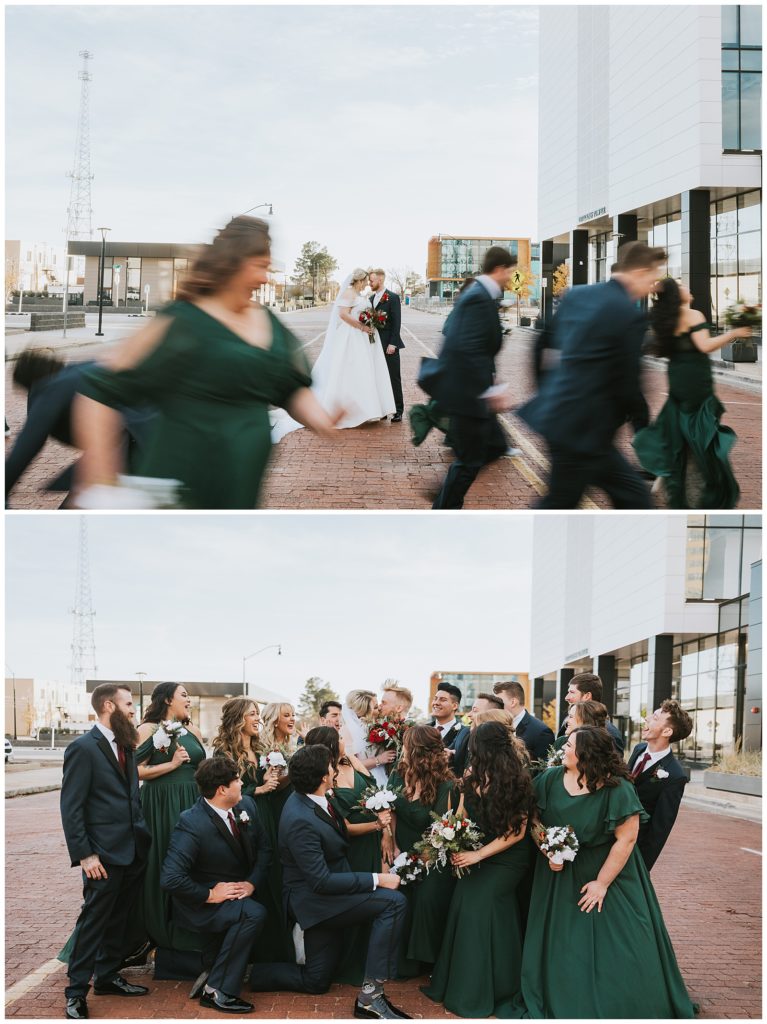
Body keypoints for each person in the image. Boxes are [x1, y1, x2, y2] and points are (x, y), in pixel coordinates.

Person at [72, 216, 339, 509]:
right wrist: (102, 483)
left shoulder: (268, 321)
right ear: (233, 263)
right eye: (260, 266)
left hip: (240, 492)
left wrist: (321, 419)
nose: (266, 278)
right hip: (179, 492)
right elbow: (97, 393)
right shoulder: (182, 320)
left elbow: (287, 387)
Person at [507, 726, 695, 1018]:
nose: (563, 749)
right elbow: (533, 819)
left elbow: (627, 838)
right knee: (565, 942)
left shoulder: (617, 787)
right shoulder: (549, 778)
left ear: (587, 754)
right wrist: (548, 849)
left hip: (608, 869)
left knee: (624, 940)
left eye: (569, 745)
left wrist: (602, 884)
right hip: (558, 874)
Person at [248, 744, 411, 1019]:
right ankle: (371, 996)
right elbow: (321, 881)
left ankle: (250, 972)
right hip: (317, 902)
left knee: (316, 982)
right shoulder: (300, 818)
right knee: (394, 902)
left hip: (326, 896)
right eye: (332, 766)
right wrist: (378, 879)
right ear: (324, 775)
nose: (337, 768)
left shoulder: (315, 798)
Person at [518, 240, 666, 509]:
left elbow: (541, 345)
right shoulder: (627, 314)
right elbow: (628, 382)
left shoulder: (577, 295)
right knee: (632, 500)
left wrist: (548, 392)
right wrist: (643, 431)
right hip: (585, 432)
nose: (653, 285)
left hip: (563, 419)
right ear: (641, 272)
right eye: (653, 277)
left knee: (567, 500)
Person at [422, 722, 535, 1018]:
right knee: (462, 900)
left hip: (507, 856)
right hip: (477, 849)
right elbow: (461, 815)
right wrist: (451, 839)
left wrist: (477, 856)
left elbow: (517, 832)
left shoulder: (517, 780)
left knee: (479, 905)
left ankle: (496, 987)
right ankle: (458, 983)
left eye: (473, 745)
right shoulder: (470, 779)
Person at [59, 683, 152, 1021]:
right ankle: (75, 992)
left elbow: (131, 797)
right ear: (110, 706)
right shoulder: (83, 748)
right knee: (93, 922)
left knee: (119, 919)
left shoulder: (125, 744)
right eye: (129, 704)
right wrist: (85, 854)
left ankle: (108, 977)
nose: (133, 710)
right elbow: (72, 808)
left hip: (132, 850)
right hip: (102, 855)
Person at [160, 757, 271, 1014]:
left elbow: (265, 850)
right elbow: (171, 878)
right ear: (222, 789)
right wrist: (210, 894)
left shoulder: (248, 806)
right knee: (253, 913)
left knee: (252, 908)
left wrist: (252, 884)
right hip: (200, 903)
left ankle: (211, 970)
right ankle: (217, 990)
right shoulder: (192, 823)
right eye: (238, 779)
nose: (243, 783)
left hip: (239, 893)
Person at [632, 278, 750, 508]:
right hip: (696, 379)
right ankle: (699, 486)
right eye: (683, 284)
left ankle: (668, 475)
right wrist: (734, 333)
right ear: (677, 292)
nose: (688, 286)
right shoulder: (693, 315)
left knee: (681, 426)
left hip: (677, 377)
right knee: (699, 430)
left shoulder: (665, 319)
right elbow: (705, 346)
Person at [421, 247, 519, 509]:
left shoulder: (482, 295)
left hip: (472, 388)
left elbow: (478, 347)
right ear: (499, 269)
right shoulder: (478, 297)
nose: (511, 277)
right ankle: (443, 507)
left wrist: (493, 382)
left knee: (493, 448)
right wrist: (488, 391)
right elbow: (467, 349)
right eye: (510, 271)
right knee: (469, 461)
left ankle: (444, 494)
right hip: (467, 392)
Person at [6, 349, 153, 507]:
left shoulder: (52, 388)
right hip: (150, 433)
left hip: (135, 445)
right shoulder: (83, 368)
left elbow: (25, 447)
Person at [304, 726, 392, 985]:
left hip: (375, 840)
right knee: (356, 902)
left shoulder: (352, 760)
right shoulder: (323, 779)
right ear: (330, 744)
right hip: (352, 846)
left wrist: (386, 833)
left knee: (377, 900)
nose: (345, 741)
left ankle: (369, 962)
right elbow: (343, 827)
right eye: (340, 738)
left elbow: (378, 794)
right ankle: (347, 965)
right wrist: (377, 825)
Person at [271, 269, 395, 441]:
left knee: (364, 372)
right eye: (366, 280)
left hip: (363, 338)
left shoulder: (359, 293)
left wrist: (370, 322)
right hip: (351, 336)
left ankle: (368, 409)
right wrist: (361, 326)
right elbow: (343, 315)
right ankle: (350, 410)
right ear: (359, 280)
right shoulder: (349, 292)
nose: (368, 283)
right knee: (350, 369)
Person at [211, 698, 287, 960]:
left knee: (271, 871)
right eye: (253, 714)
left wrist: (271, 778)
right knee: (251, 868)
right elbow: (221, 792)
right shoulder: (224, 752)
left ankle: (273, 945)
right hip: (242, 816)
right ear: (238, 718)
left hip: (267, 813)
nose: (259, 718)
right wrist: (258, 789)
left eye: (258, 714)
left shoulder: (262, 747)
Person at [388, 726, 458, 978]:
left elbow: (439, 829)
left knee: (427, 896)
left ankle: (425, 961)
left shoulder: (446, 785)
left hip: (431, 856)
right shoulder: (399, 774)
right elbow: (390, 808)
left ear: (417, 751)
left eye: (406, 745)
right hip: (399, 848)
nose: (401, 750)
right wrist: (392, 843)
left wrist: (418, 861)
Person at [253, 702, 299, 962]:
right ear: (274, 720)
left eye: (293, 715)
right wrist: (293, 773)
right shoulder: (263, 747)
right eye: (286, 715)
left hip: (291, 806)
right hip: (273, 809)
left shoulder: (293, 745)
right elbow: (269, 785)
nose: (292, 719)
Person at [628, 700, 693, 871]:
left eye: (655, 718)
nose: (647, 719)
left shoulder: (675, 776)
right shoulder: (638, 750)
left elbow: (660, 829)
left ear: (667, 731)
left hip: (633, 848)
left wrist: (641, 868)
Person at [368, 269, 405, 421]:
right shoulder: (370, 298)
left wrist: (393, 343)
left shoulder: (393, 298)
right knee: (378, 378)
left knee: (393, 377)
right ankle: (383, 409)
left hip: (389, 345)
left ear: (380, 281)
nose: (369, 283)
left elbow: (397, 323)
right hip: (374, 345)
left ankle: (398, 410)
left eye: (372, 281)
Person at [557, 672, 624, 753]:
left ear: (587, 696)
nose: (566, 698)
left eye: (572, 692)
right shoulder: (568, 722)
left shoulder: (610, 734)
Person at [342, 689, 395, 785]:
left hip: (385, 774)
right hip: (366, 779)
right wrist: (378, 760)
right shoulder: (347, 731)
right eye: (375, 707)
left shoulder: (379, 726)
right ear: (363, 712)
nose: (379, 708)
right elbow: (350, 766)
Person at [493, 680, 555, 762]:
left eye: (499, 702)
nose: (495, 706)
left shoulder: (541, 732)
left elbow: (542, 770)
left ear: (513, 702)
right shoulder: (494, 725)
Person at [430, 682, 469, 776]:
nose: (436, 703)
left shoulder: (466, 733)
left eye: (443, 700)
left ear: (455, 706)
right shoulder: (422, 730)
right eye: (435, 699)